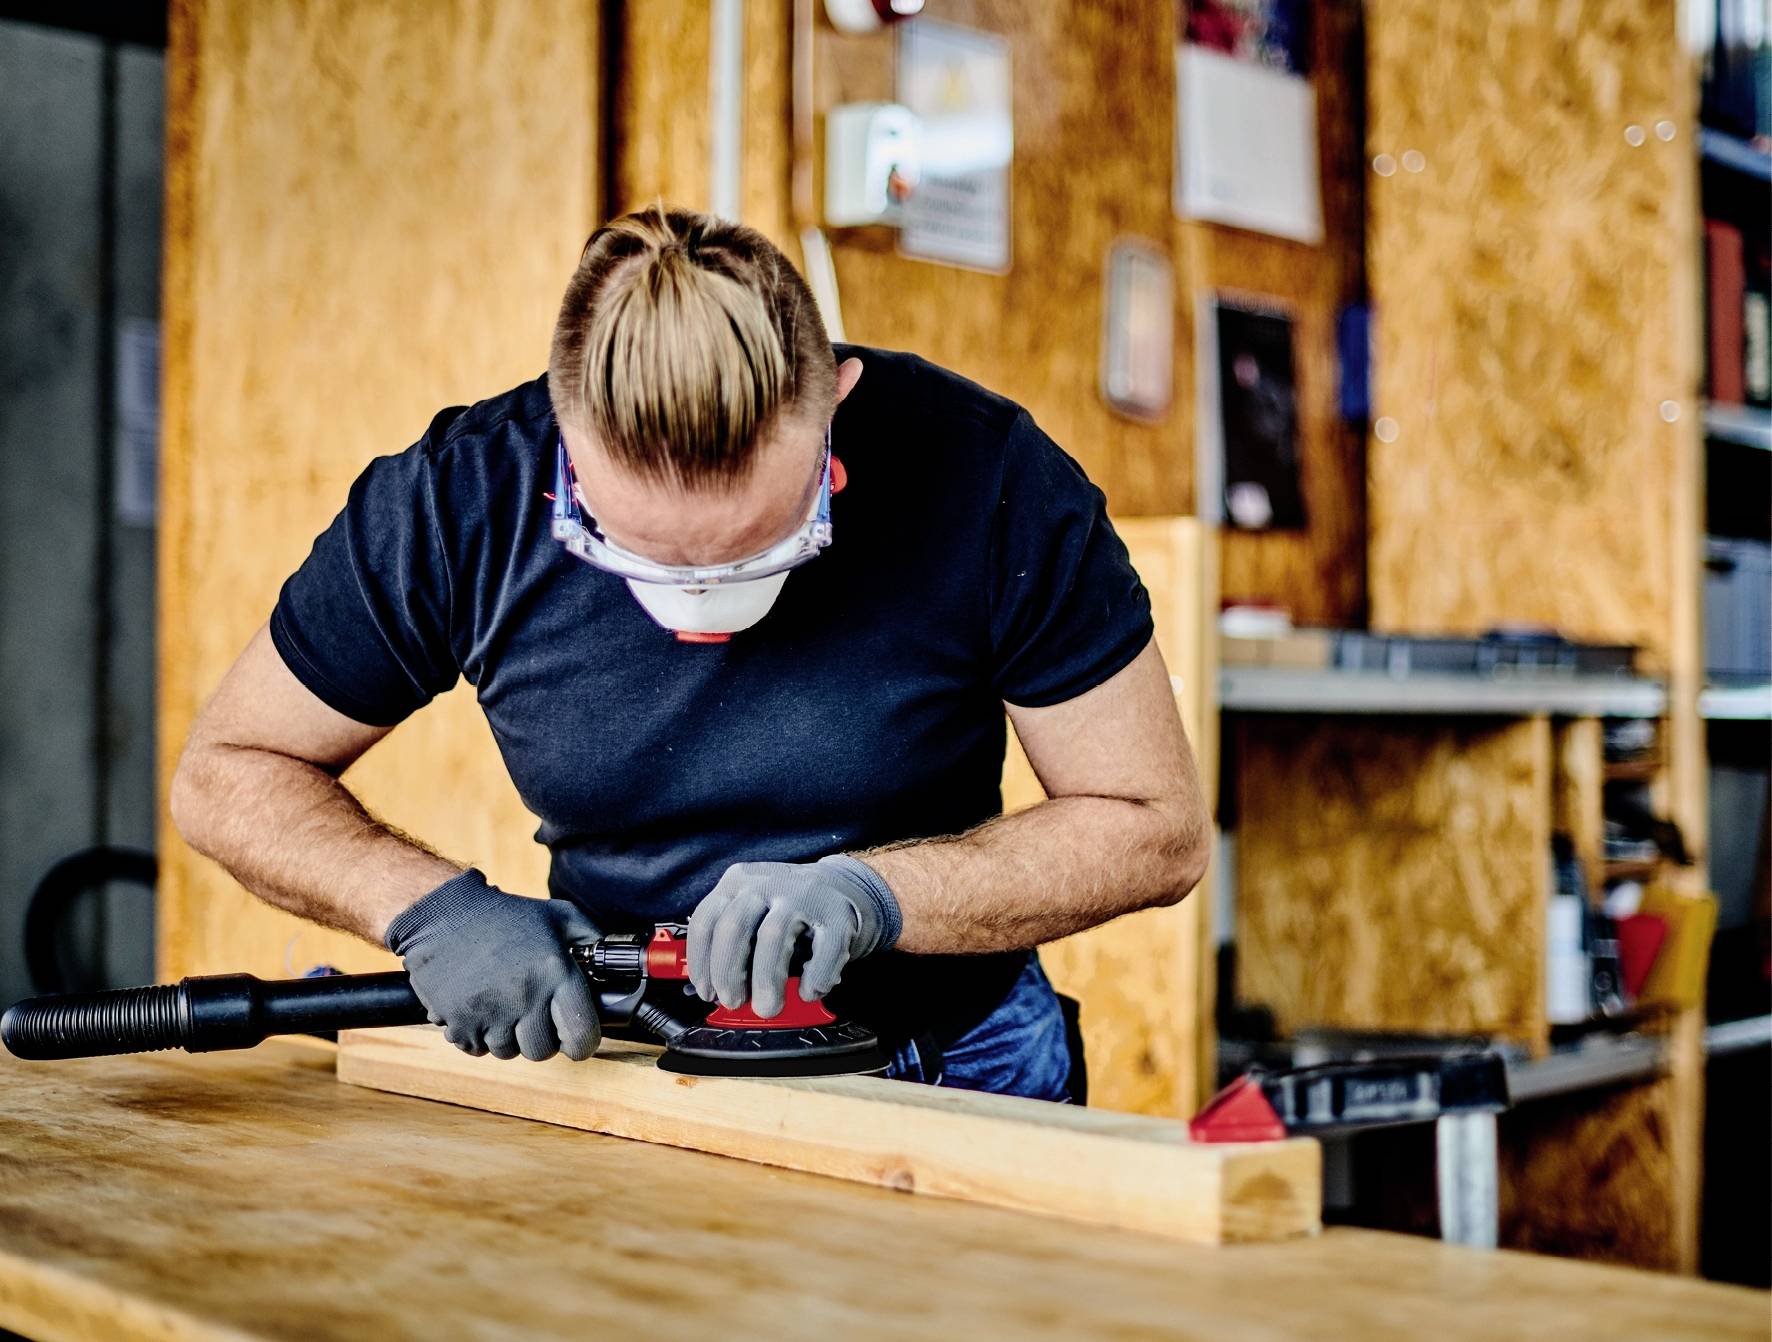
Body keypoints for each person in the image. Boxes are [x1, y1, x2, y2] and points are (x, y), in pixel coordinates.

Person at [169, 205, 1209, 1101]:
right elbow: (228, 773)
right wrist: (423, 907)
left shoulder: (985, 478)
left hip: (955, 1052)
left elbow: (1151, 825)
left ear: (834, 401)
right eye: (637, 554)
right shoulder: (460, 499)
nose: (696, 613)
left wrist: (875, 897)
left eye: (762, 546)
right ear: (562, 436)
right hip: (625, 1060)